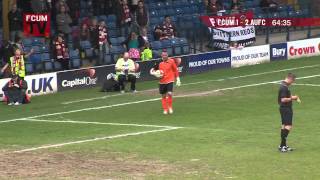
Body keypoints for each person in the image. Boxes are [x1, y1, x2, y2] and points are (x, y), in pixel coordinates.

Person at [150, 51, 181, 115]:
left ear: (167, 56)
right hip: (162, 81)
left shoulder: (171, 61)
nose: (164, 56)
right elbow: (152, 70)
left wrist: (178, 79)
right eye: (163, 55)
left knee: (169, 93)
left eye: (166, 55)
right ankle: (165, 109)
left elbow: (175, 69)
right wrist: (154, 73)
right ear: (161, 56)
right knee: (163, 96)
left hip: (170, 80)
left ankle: (170, 107)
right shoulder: (158, 62)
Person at [278, 73, 300, 152]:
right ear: (290, 79)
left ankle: (282, 146)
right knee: (288, 126)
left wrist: (293, 97)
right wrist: (293, 98)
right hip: (286, 109)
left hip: (284, 108)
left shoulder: (284, 85)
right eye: (293, 81)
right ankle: (282, 146)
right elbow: (283, 99)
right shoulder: (284, 87)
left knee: (284, 126)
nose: (292, 83)